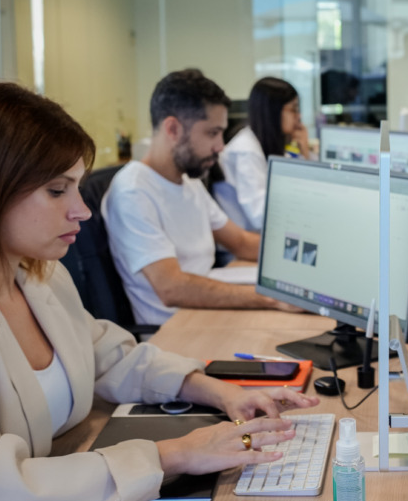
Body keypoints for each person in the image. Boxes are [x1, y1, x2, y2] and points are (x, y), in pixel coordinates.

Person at [0, 83, 318, 501]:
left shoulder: (32, 273)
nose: (82, 210)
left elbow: (108, 354)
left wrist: (219, 391)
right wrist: (179, 453)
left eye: (77, 187)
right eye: (57, 191)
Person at [103, 69, 291, 325]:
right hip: (177, 328)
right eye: (212, 133)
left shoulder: (189, 181)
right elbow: (172, 287)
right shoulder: (133, 191)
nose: (220, 146)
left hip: (207, 311)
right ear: (173, 129)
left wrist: (300, 256)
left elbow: (240, 242)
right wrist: (272, 298)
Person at [218, 77, 308, 230]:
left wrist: (304, 151)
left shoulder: (262, 143)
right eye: (293, 109)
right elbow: (260, 216)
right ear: (273, 111)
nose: (298, 117)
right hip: (248, 240)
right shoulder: (246, 151)